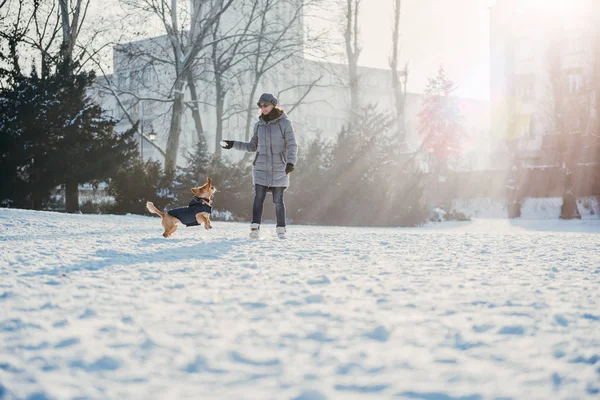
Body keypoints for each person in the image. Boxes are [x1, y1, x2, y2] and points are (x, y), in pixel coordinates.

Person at [221, 93, 297, 239]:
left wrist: (291, 162)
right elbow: (251, 146)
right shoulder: (259, 125)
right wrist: (232, 144)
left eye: (265, 105)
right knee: (258, 198)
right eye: (260, 106)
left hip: (279, 167)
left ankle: (281, 229)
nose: (263, 108)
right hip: (261, 167)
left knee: (278, 201)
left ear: (273, 104)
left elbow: (292, 145)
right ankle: (254, 228)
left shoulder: (285, 123)